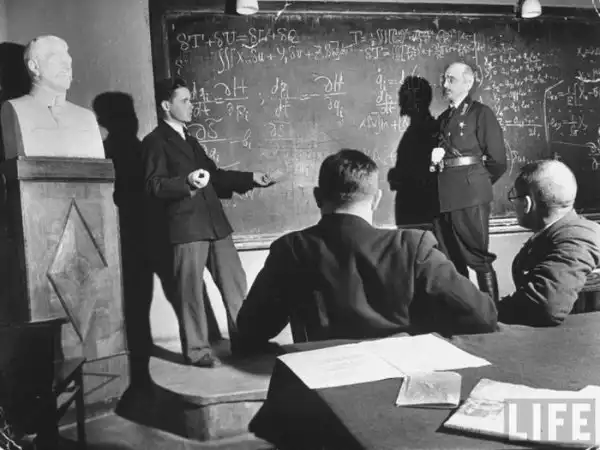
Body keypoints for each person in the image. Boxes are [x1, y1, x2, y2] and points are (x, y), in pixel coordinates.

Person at [236, 149, 498, 349]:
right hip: (401, 384)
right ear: (376, 200)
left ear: (317, 197)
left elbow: (250, 329)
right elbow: (483, 316)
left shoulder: (291, 250)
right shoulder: (413, 246)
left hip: (325, 385)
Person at [143, 77, 275, 367]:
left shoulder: (189, 140)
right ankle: (197, 351)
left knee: (235, 282)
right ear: (166, 105)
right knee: (190, 291)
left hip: (215, 224)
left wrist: (250, 178)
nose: (192, 105)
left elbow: (213, 176)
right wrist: (187, 182)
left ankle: (246, 341)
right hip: (186, 228)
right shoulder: (155, 142)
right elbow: (153, 185)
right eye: (185, 100)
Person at [430, 61, 507, 303]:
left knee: (478, 257)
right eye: (444, 79)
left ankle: (492, 314)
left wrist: (476, 185)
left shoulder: (481, 113)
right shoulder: (444, 118)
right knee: (451, 259)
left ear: (468, 82)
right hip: (444, 197)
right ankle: (465, 313)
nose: (445, 84)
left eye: (451, 79)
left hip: (470, 196)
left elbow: (498, 161)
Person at [498, 160, 600, 326]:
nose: (513, 203)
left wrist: (491, 311)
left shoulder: (578, 238)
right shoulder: (559, 232)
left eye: (514, 197)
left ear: (527, 204)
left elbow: (547, 305)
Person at [1, 35, 104, 159]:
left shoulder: (86, 118)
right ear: (34, 66)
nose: (67, 67)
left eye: (68, 61)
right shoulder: (14, 109)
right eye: (57, 60)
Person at [388, 76, 438, 225]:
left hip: (419, 213)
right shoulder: (421, 129)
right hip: (416, 215)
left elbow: (424, 175)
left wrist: (398, 176)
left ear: (416, 100)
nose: (400, 102)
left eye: (404, 97)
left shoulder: (425, 131)